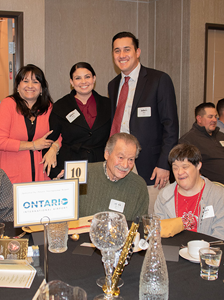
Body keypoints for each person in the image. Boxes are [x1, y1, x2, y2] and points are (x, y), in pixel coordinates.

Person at [108, 32, 179, 209]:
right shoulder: (113, 84)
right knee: (125, 215)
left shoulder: (159, 80)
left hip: (152, 167)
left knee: (154, 219)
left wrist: (164, 164)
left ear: (137, 52)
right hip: (121, 164)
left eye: (127, 49)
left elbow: (170, 126)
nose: (122, 55)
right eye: (117, 51)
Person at [45, 62, 112, 179]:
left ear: (94, 78)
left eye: (87, 77)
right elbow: (49, 140)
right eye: (78, 78)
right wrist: (55, 171)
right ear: (71, 82)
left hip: (100, 166)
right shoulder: (61, 106)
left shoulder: (107, 105)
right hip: (70, 166)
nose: (83, 82)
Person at [0, 64, 54, 183]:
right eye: (25, 81)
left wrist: (54, 150)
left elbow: (60, 134)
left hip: (41, 176)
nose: (30, 86)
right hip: (10, 177)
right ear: (18, 86)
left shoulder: (48, 107)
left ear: (41, 88)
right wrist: (33, 145)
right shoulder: (8, 105)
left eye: (35, 82)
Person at [154, 144, 224, 240]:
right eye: (175, 168)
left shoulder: (218, 196)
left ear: (198, 165)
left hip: (205, 252)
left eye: (185, 167)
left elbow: (220, 237)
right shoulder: (164, 196)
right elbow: (158, 233)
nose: (180, 172)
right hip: (172, 251)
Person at [79, 133, 149, 221]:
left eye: (131, 159)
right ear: (107, 154)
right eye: (120, 157)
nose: (125, 165)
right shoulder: (84, 173)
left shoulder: (139, 186)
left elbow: (139, 226)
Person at [179, 102, 224, 184]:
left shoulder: (221, 136)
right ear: (199, 119)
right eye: (210, 117)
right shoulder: (188, 141)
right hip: (212, 188)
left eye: (215, 116)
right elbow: (184, 169)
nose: (214, 120)